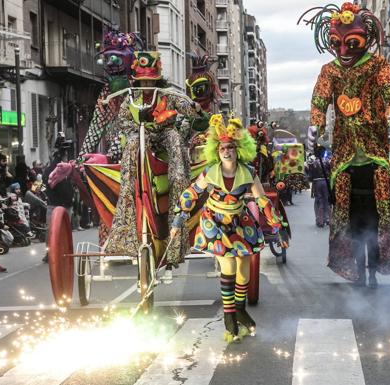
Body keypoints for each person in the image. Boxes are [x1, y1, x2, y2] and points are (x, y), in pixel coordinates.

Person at [302, 2, 390, 287]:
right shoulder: (329, 72)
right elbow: (319, 103)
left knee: (384, 212)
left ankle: (381, 263)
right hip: (345, 156)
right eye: (337, 44)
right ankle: (350, 265)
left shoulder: (378, 66)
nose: (344, 51)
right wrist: (315, 126)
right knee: (343, 217)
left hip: (375, 153)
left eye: (352, 43)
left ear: (365, 39)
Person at [170, 114, 286, 342]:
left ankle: (240, 308)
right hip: (215, 221)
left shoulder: (249, 173)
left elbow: (263, 202)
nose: (226, 151)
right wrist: (178, 219)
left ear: (238, 149)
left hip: (239, 221)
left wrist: (277, 227)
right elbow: (191, 194)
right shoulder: (210, 173)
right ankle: (229, 314)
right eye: (222, 147)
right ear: (217, 150)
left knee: (244, 267)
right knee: (228, 265)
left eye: (230, 147)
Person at [104, 50, 201, 278]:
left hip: (165, 135)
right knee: (132, 145)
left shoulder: (166, 95)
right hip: (141, 137)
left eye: (151, 81)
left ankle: (179, 187)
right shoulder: (130, 99)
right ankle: (129, 194)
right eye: (143, 81)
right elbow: (124, 123)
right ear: (137, 81)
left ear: (158, 80)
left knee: (176, 140)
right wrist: (140, 131)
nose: (147, 85)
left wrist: (194, 108)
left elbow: (185, 105)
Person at [305, 147, 331, 227]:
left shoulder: (312, 163)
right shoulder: (327, 162)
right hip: (326, 182)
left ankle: (320, 220)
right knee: (327, 200)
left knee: (318, 201)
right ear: (323, 153)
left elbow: (309, 176)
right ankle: (328, 219)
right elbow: (331, 172)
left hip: (316, 183)